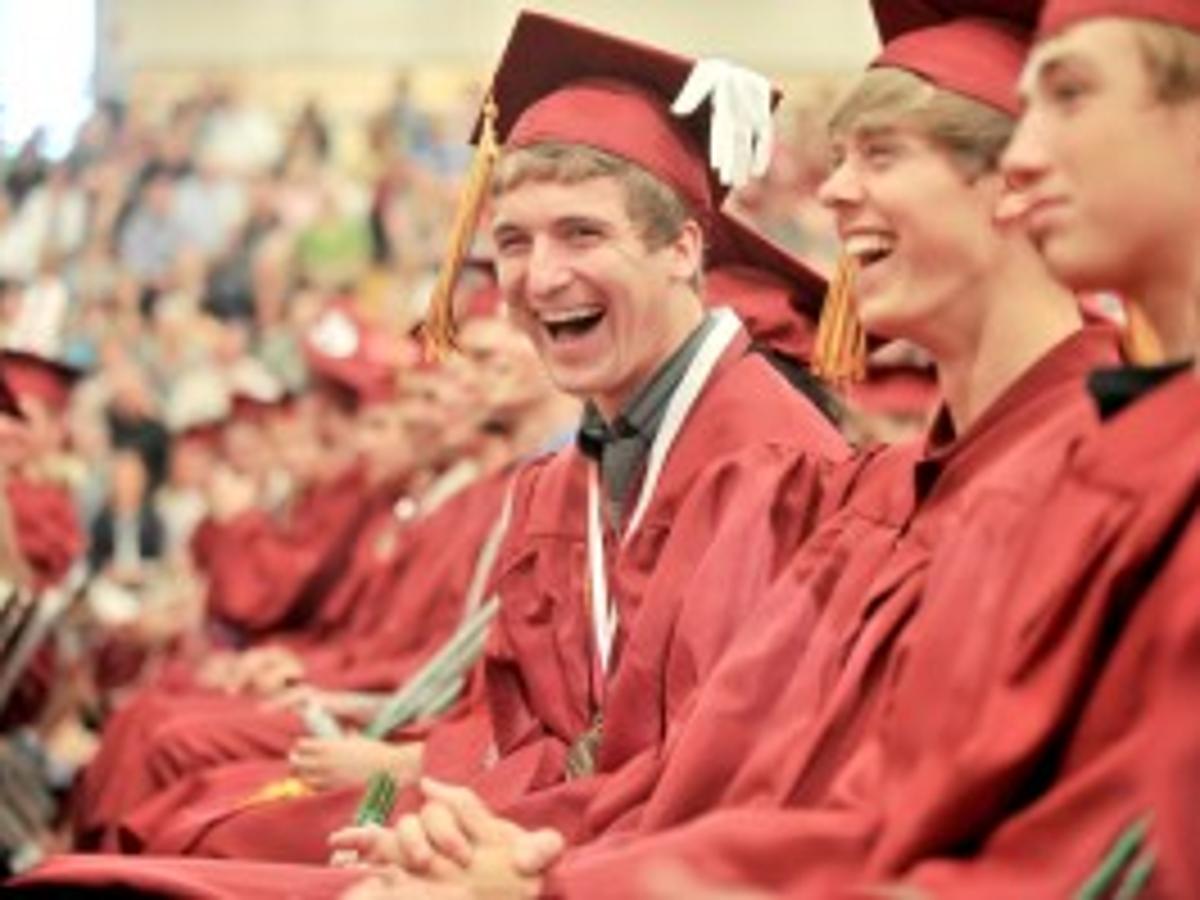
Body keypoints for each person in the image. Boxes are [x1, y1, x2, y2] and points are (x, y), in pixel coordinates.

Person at [332, 7, 1134, 898]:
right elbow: (737, 778)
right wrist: (515, 856)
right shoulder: (878, 502)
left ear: (1020, 183)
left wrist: (539, 877)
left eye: (881, 154)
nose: (832, 193)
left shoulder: (1098, 483)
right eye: (514, 240)